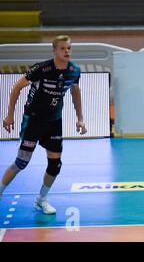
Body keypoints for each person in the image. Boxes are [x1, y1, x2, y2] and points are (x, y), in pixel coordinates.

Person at [0, 35, 87, 214]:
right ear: (54, 50)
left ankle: (41, 199)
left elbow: (75, 93)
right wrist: (9, 115)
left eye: (69, 48)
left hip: (54, 121)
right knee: (21, 162)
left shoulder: (74, 70)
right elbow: (17, 87)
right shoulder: (42, 68)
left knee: (55, 165)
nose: (67, 51)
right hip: (33, 120)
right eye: (62, 48)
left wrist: (80, 118)